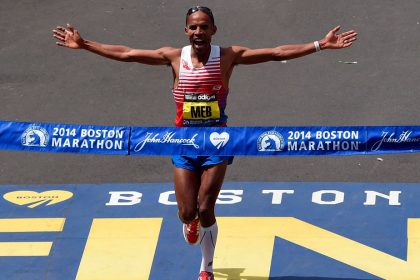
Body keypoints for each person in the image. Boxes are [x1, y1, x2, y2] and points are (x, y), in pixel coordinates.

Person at [53, 6, 357, 280]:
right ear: (186, 31)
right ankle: (191, 223)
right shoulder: (173, 58)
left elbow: (277, 52)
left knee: (206, 205)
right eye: (193, 27)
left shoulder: (228, 56)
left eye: (204, 26)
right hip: (183, 143)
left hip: (217, 142)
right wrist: (85, 44)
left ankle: (206, 268)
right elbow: (127, 53)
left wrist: (320, 44)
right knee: (187, 211)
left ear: (214, 30)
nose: (199, 32)